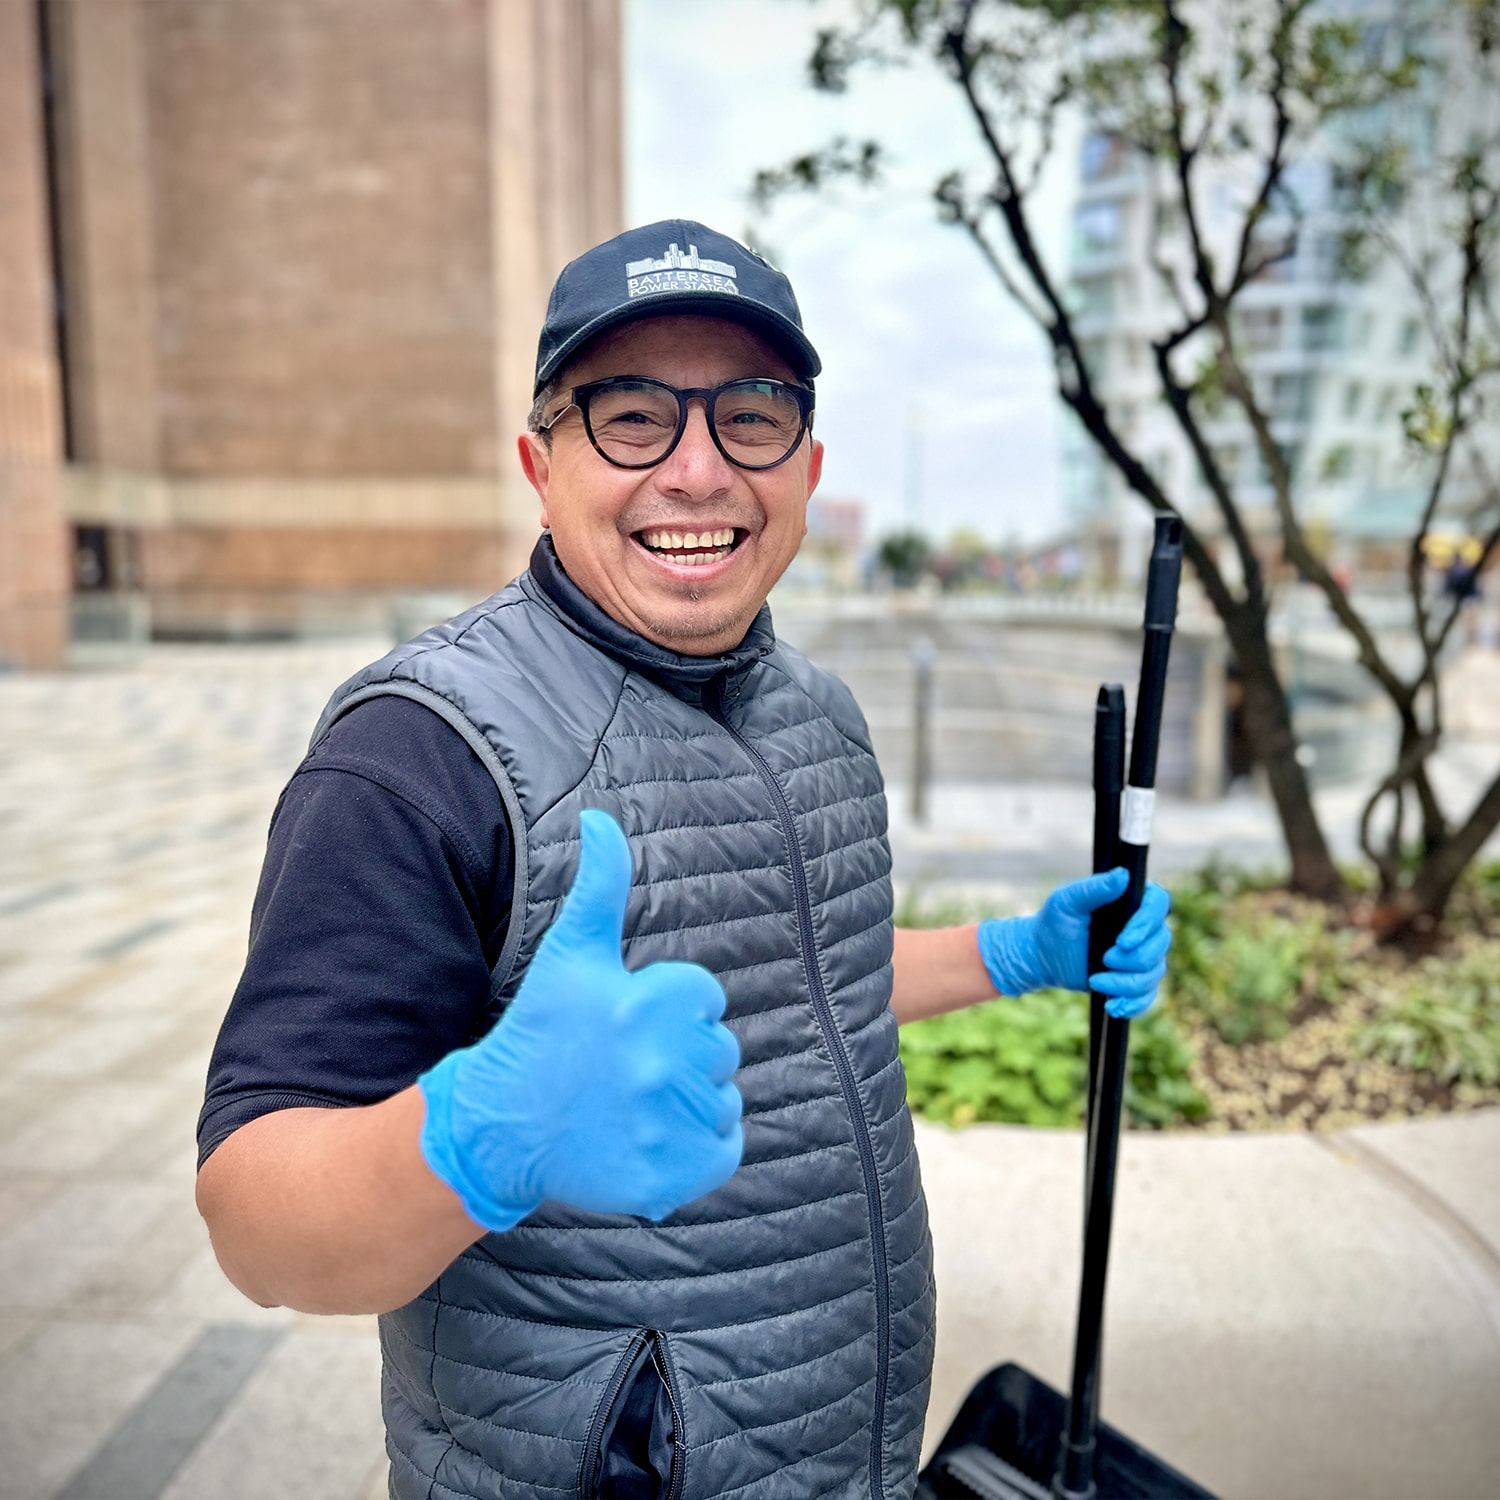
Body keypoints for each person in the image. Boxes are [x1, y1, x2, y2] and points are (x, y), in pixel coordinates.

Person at [194, 220, 1172, 1500]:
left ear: (808, 467)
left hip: (842, 1450)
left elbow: (798, 980)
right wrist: (478, 1137)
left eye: (750, 416)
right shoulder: (417, 754)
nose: (699, 471)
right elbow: (255, 1223)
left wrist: (1018, 953)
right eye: (632, 418)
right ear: (540, 466)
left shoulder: (817, 714)